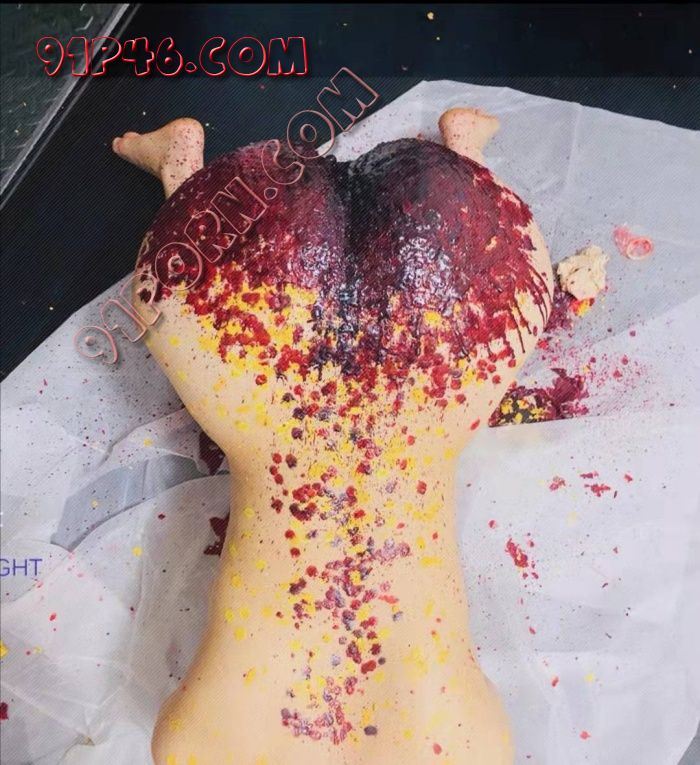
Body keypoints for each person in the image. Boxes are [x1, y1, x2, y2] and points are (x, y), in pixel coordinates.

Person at [112, 106, 553, 765]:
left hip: (428, 334)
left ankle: (466, 153)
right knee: (184, 314)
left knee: (487, 272)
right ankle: (183, 165)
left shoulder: (466, 752)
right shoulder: (204, 750)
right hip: (261, 347)